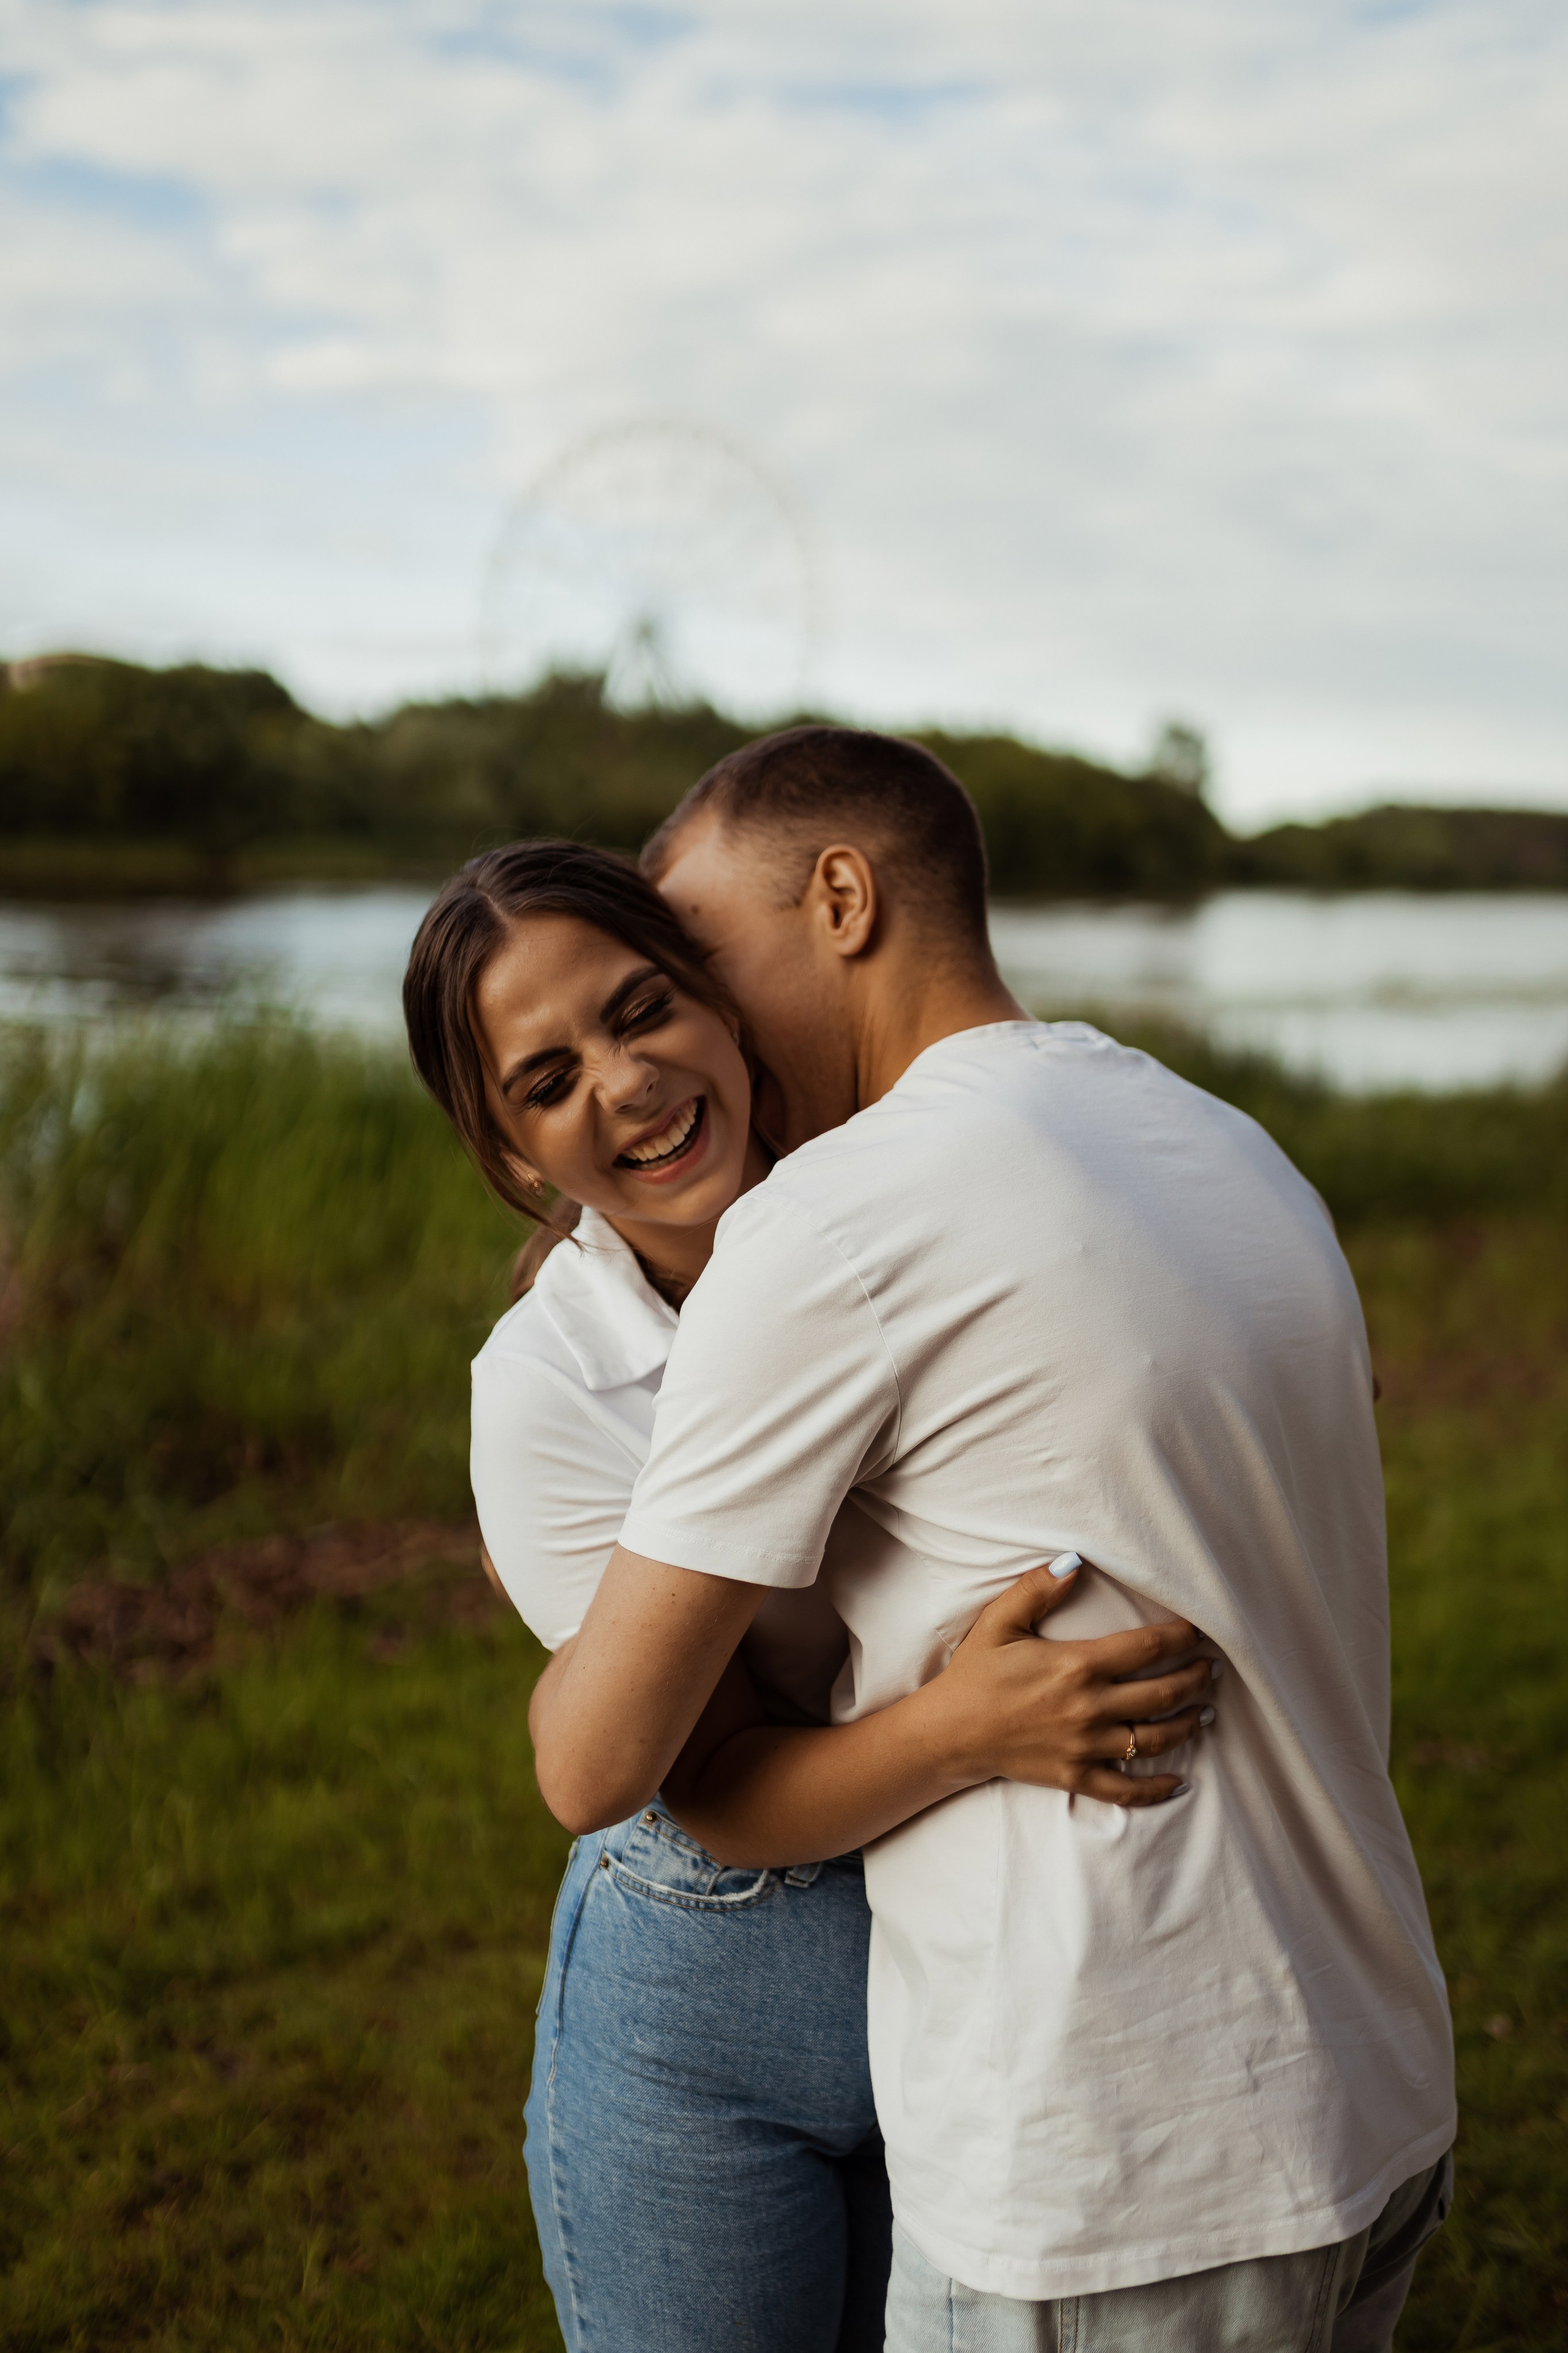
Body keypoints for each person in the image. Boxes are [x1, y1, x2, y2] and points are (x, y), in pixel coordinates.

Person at [529, 727, 1458, 2352]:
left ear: (841, 898)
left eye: (708, 957)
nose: (710, 1022)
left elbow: (594, 1759)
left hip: (1117, 2159)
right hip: (1364, 2081)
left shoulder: (833, 1219)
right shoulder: (1224, 1144)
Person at [401, 840, 1216, 2353]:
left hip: (965, 1955)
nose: (628, 1084)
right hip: (709, 1997)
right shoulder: (548, 1384)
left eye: (642, 1010)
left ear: (721, 1004)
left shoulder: (915, 1195)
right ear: (512, 1154)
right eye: (549, 1080)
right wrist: (964, 1729)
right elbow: (693, 1777)